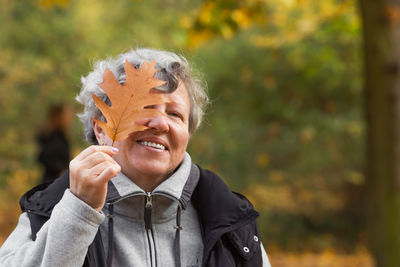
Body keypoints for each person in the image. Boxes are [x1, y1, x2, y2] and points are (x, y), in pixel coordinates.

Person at [0, 48, 271, 267]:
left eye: (175, 114)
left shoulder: (230, 220)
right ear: (101, 128)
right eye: (144, 107)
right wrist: (79, 211)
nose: (160, 123)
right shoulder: (50, 209)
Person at [37, 103, 72, 184]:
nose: (69, 118)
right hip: (53, 182)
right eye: (66, 115)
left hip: (57, 181)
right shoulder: (53, 137)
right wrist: (60, 171)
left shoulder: (60, 136)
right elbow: (44, 157)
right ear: (59, 117)